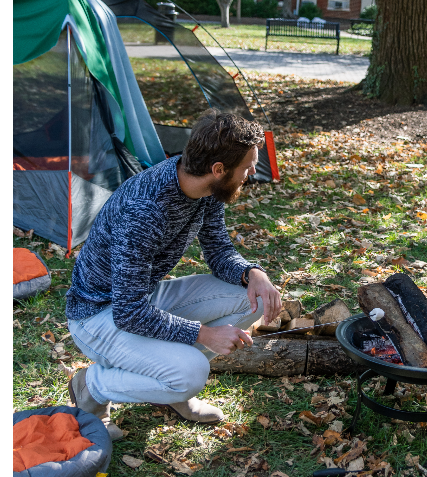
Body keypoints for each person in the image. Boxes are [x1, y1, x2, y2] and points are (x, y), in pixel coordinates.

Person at [65, 110, 283, 436]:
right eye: (249, 165)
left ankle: (170, 384)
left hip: (142, 297)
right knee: (191, 373)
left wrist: (253, 273)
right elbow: (129, 313)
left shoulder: (206, 187)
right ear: (218, 169)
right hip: (98, 315)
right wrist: (203, 334)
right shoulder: (145, 210)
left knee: (251, 298)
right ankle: (91, 386)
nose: (252, 171)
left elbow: (219, 251)